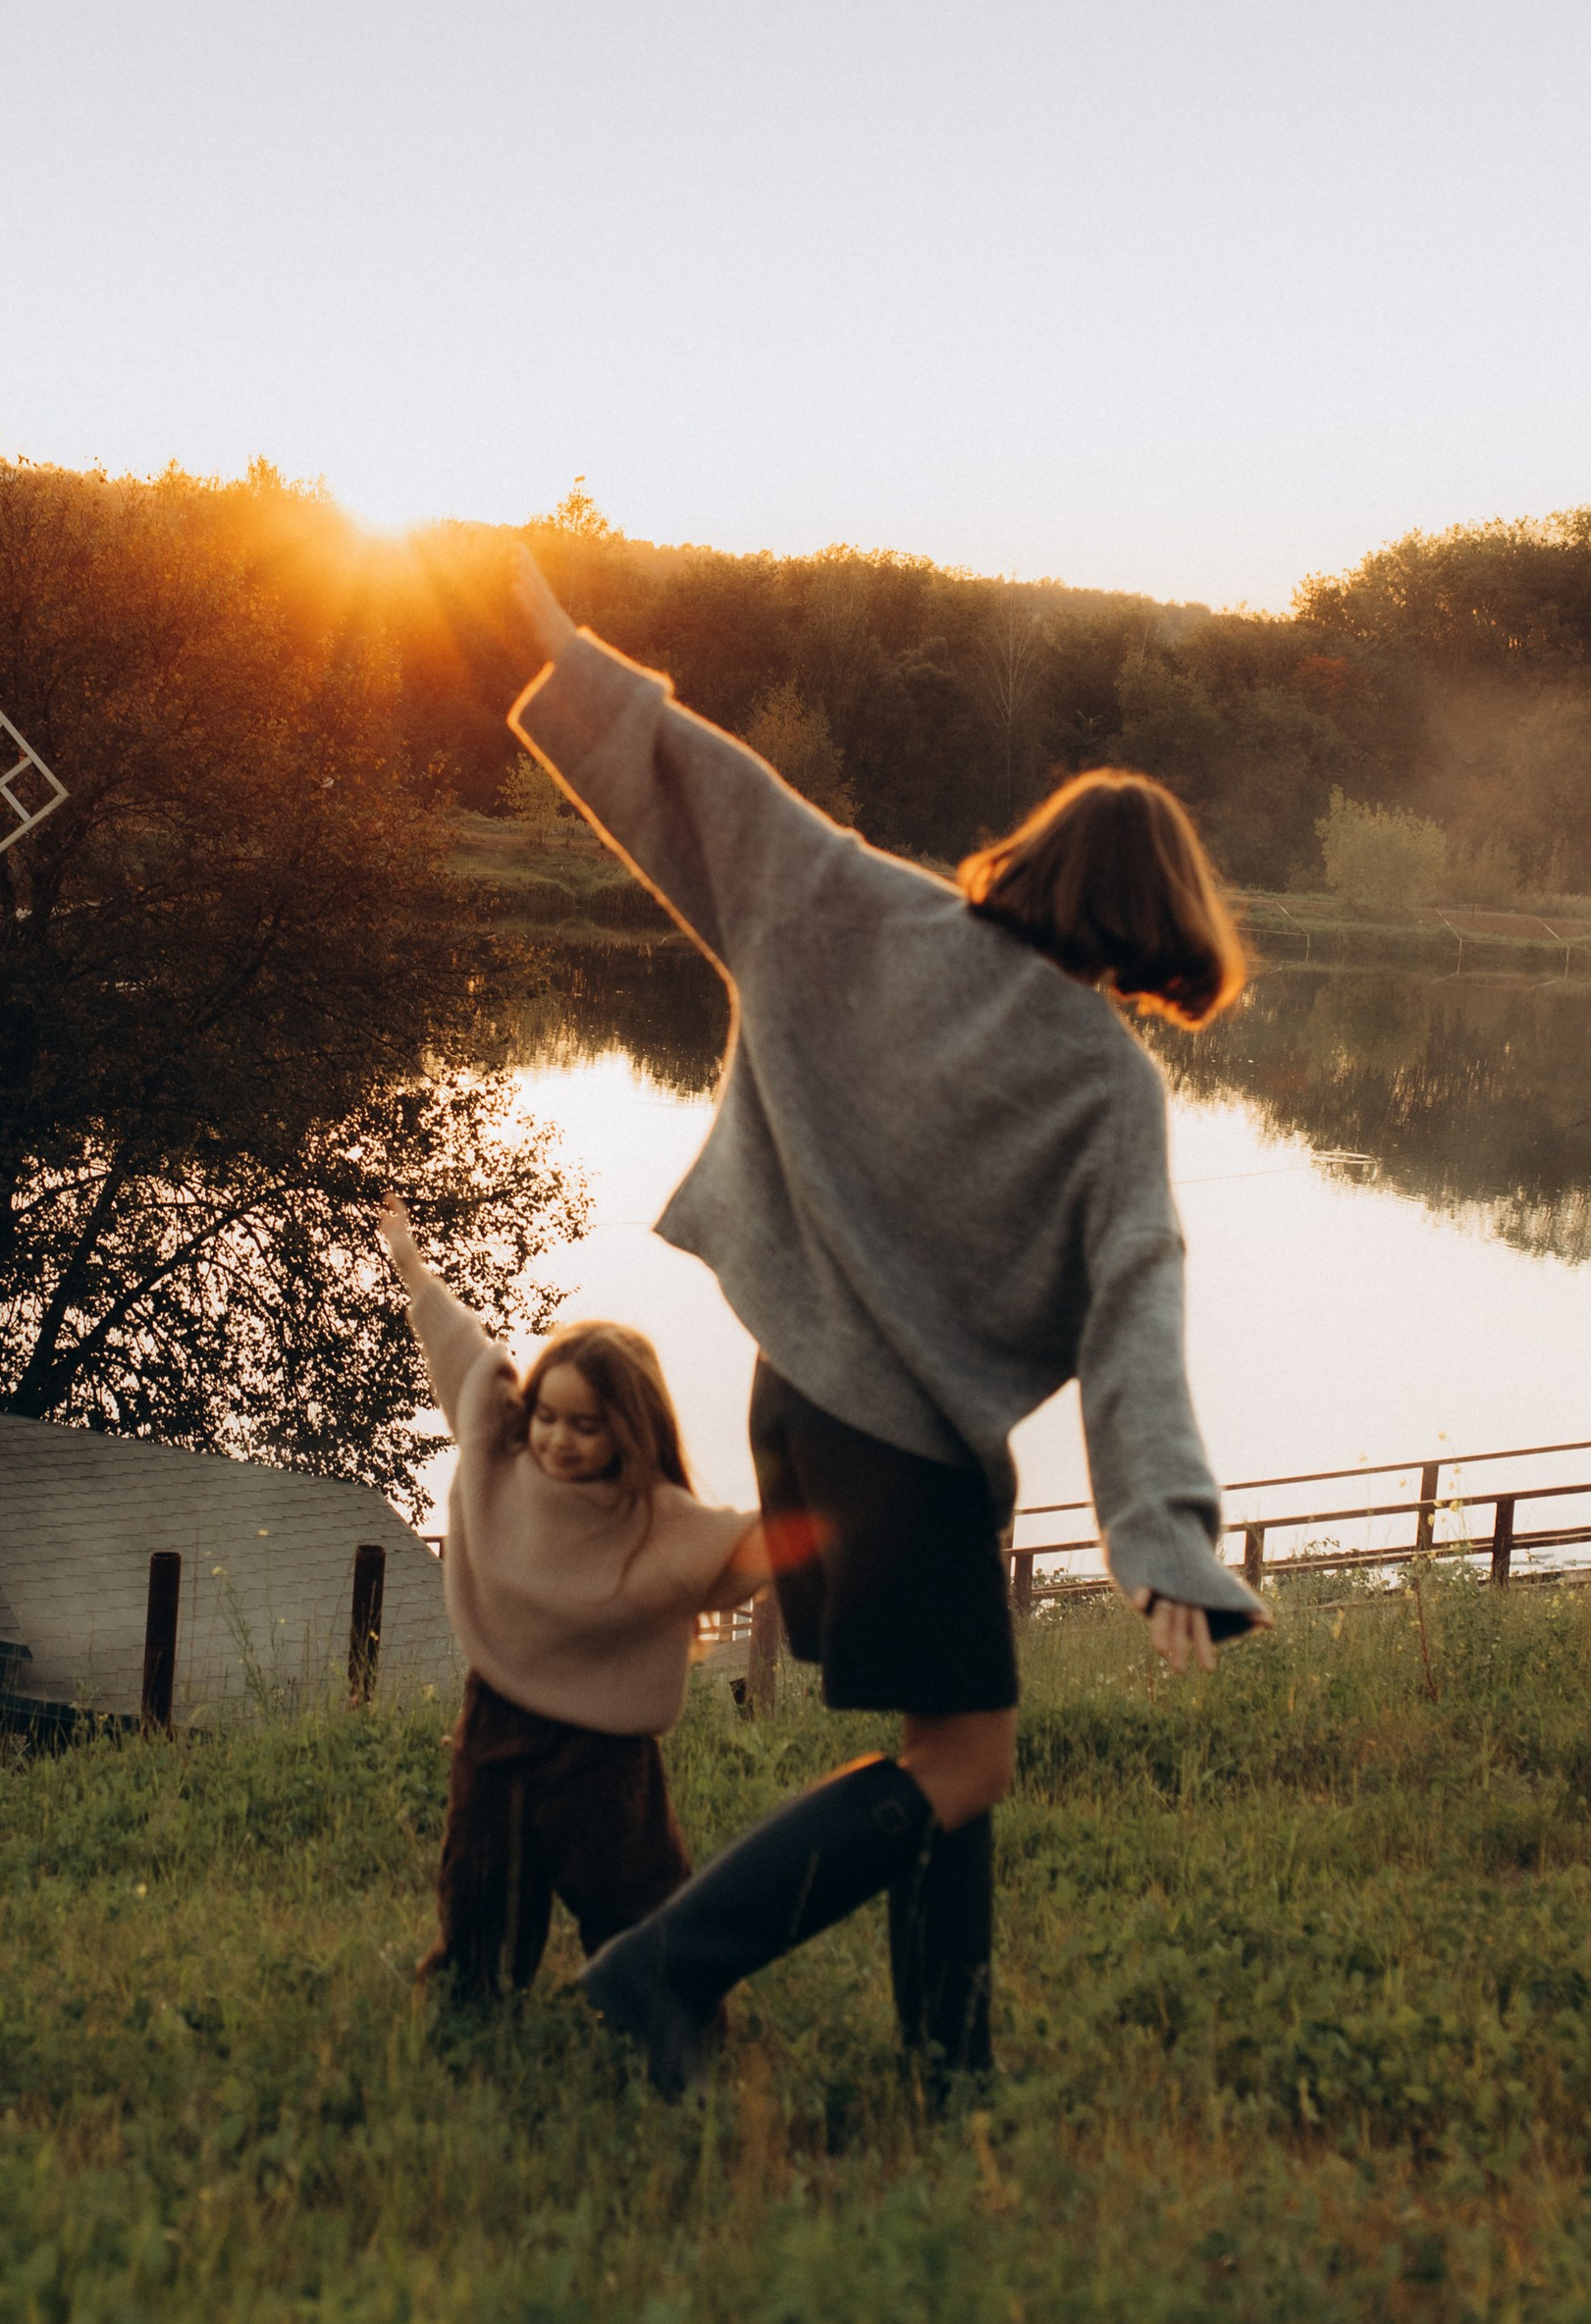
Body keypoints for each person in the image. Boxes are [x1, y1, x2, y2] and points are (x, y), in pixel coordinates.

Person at [497, 554, 1270, 2101]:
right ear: (1163, 918)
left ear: (1038, 860)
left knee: (944, 1747)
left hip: (794, 1406)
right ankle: (664, 1968)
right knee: (967, 1758)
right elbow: (1138, 1299)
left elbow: (722, 793)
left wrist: (568, 648)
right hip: (901, 1454)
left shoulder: (871, 914)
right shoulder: (1108, 1082)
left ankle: (948, 2063)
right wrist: (1162, 1533)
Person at [380, 1194, 769, 2003]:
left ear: (629, 1428)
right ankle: (472, 2005)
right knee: (482, 1886)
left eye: (585, 1425)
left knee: (636, 1895)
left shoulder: (656, 1519)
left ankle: (662, 2005)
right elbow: (462, 1353)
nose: (559, 1438)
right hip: (499, 1726)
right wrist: (411, 1265)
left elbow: (760, 1548)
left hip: (608, 1755)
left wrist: (852, 1490)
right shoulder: (501, 1455)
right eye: (548, 1416)